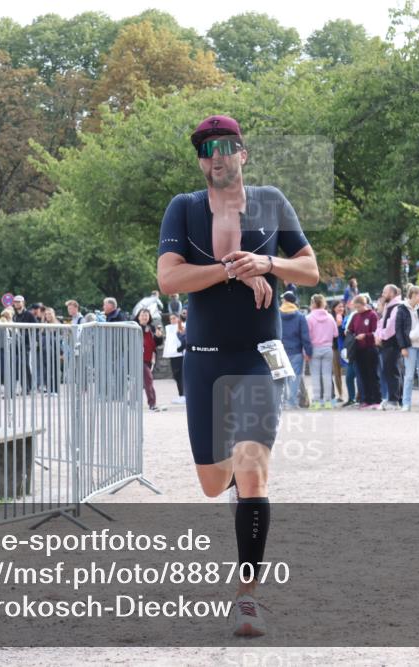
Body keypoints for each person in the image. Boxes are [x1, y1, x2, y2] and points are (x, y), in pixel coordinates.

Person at [156, 113, 318, 637]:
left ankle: (248, 598)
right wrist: (230, 269)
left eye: (226, 146)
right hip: (203, 356)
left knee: (253, 472)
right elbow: (169, 279)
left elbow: (310, 269)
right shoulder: (183, 209)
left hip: (258, 358)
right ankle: (231, 484)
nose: (217, 155)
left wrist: (265, 264)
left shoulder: (270, 202)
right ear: (201, 160)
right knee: (212, 483)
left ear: (243, 152)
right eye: (207, 148)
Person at [396, 285, 419, 410]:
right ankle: (406, 403)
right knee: (409, 375)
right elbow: (398, 330)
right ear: (413, 295)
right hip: (409, 346)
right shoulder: (402, 309)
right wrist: (402, 347)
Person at [374, 284, 405, 409]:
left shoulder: (396, 307)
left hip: (392, 344)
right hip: (386, 343)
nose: (382, 294)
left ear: (392, 293)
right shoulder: (389, 306)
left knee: (393, 372)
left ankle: (394, 400)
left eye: (385, 292)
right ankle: (394, 398)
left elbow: (391, 327)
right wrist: (377, 336)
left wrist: (381, 337)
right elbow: (381, 323)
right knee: (389, 371)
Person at [306, 293, 339, 409]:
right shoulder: (330, 317)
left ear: (313, 304)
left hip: (314, 348)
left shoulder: (309, 318)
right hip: (327, 348)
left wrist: (305, 351)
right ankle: (328, 401)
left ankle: (316, 401)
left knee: (315, 376)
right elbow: (336, 333)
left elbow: (307, 336)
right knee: (327, 376)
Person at [280, 291, 311, 409]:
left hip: (281, 351)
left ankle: (282, 403)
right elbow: (305, 336)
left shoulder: (277, 314)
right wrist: (309, 352)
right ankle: (291, 402)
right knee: (295, 378)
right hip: (296, 351)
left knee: (282, 378)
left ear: (285, 301)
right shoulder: (300, 316)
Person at [348, 294, 380, 408]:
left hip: (370, 348)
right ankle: (366, 399)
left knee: (372, 374)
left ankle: (376, 399)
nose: (357, 309)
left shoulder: (372, 315)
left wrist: (365, 336)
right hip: (358, 349)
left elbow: (376, 332)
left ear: (364, 304)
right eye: (355, 307)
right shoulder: (355, 316)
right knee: (362, 375)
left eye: (359, 307)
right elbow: (350, 329)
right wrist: (350, 334)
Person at [136, 308, 164, 411]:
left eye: (146, 315)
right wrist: (143, 329)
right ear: (138, 317)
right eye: (142, 315)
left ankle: (132, 400)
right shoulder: (135, 327)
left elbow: (158, 343)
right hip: (139, 358)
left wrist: (158, 336)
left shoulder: (152, 328)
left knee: (143, 381)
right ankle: (152, 403)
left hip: (150, 359)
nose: (144, 317)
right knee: (148, 379)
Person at [163, 313, 186, 404]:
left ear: (178, 318)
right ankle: (181, 395)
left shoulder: (181, 327)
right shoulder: (170, 328)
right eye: (171, 318)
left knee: (180, 376)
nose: (172, 320)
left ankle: (183, 395)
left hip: (179, 355)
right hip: (173, 355)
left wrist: (180, 348)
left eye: (174, 318)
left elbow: (184, 339)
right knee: (177, 376)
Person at [330, 300, 348, 404]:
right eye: (339, 307)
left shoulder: (347, 318)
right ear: (333, 308)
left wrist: (341, 325)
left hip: (346, 348)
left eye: (342, 307)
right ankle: (340, 394)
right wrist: (337, 325)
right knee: (337, 373)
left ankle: (354, 395)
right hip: (335, 348)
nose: (341, 308)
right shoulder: (330, 319)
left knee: (350, 371)